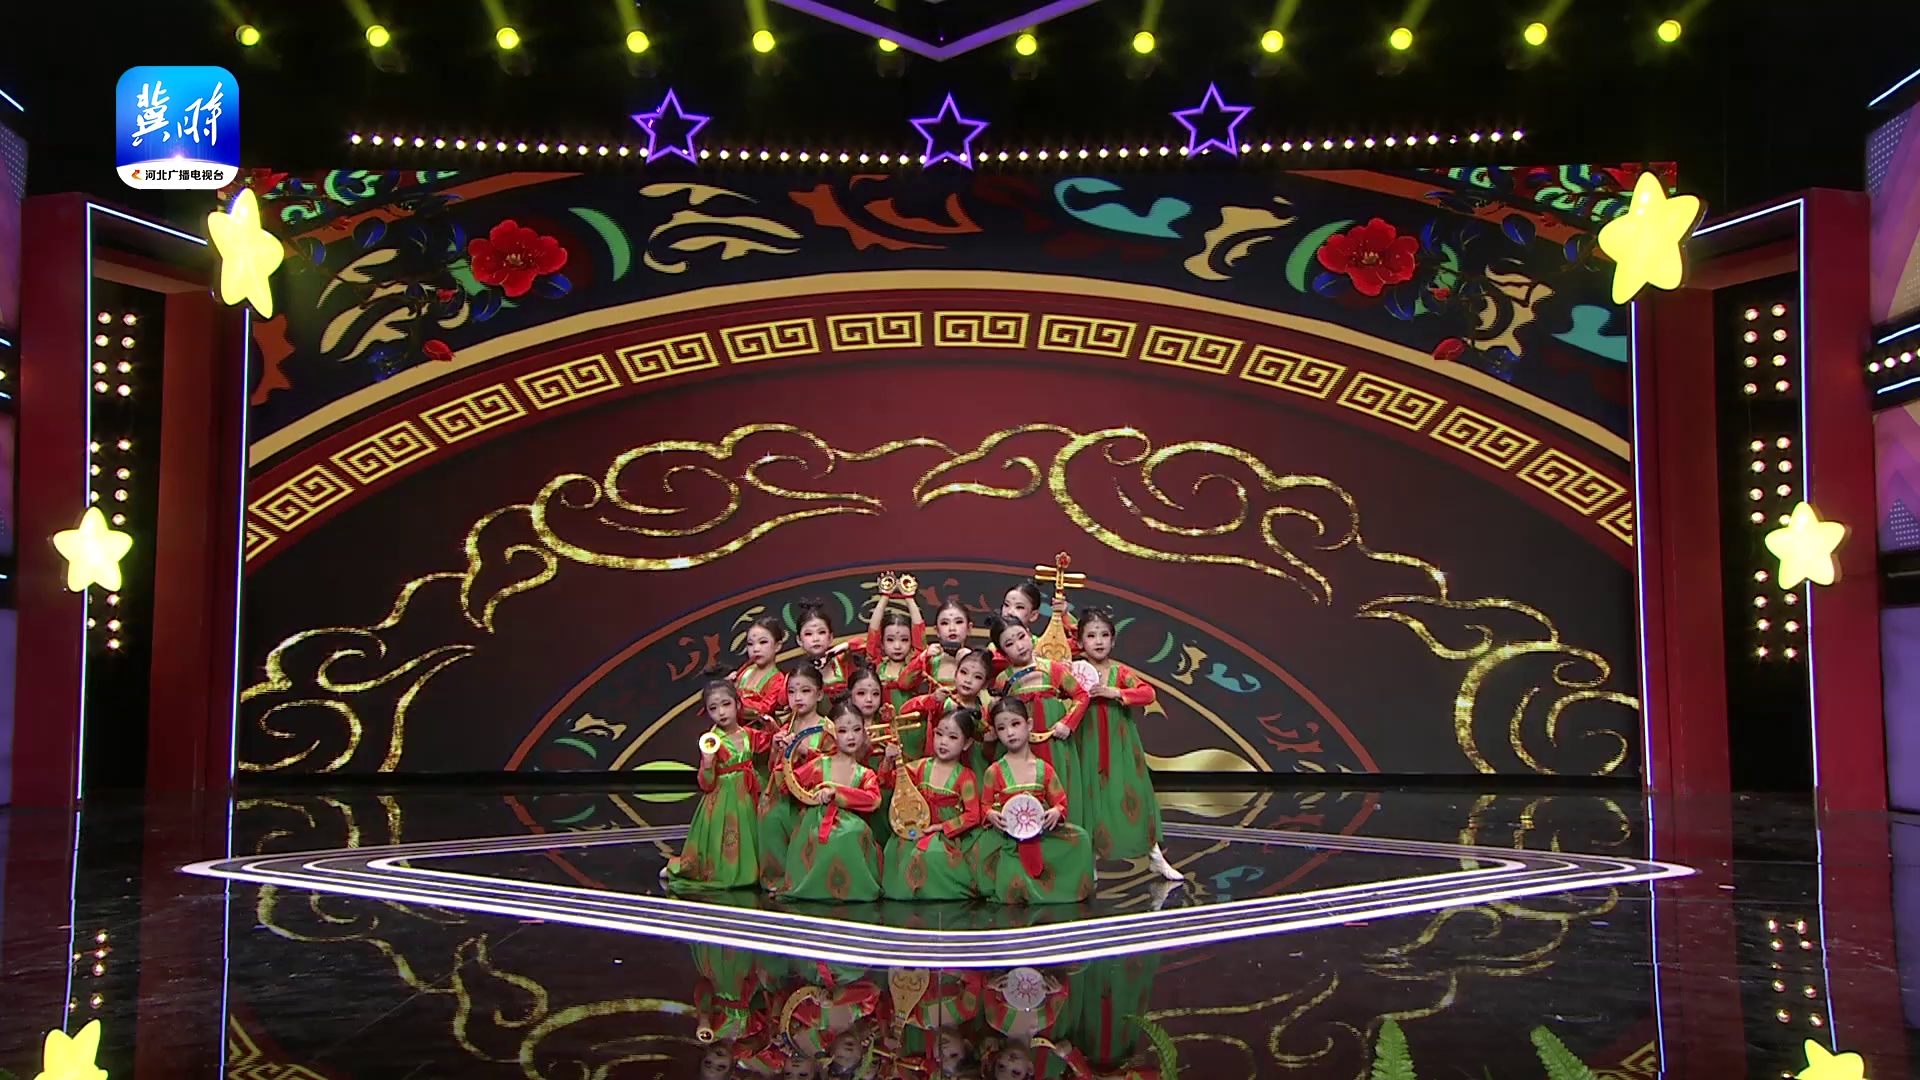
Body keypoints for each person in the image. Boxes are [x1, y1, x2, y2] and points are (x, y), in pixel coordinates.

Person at [1074, 608, 1182, 881]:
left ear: (1113, 640)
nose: (1098, 641)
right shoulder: (1074, 671)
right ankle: (1089, 861)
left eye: (1104, 635)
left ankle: (1155, 855)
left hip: (1119, 743)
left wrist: (1116, 693)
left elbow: (1148, 693)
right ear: (1080, 641)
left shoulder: (1118, 672)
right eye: (1091, 636)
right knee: (1089, 800)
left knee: (1132, 795)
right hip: (1086, 741)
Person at [969, 699, 1095, 904]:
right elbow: (985, 805)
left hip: (1040, 832)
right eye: (1001, 728)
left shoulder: (1043, 768)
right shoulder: (995, 771)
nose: (1010, 733)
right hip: (1007, 836)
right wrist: (990, 814)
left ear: (1028, 725)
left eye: (1015, 724)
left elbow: (1060, 802)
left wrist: (1056, 812)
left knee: (1080, 838)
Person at [665, 680, 773, 892]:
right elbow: (706, 783)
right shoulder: (711, 740)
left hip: (749, 791)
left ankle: (755, 871)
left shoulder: (748, 734)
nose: (721, 712)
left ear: (737, 705)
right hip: (725, 797)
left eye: (726, 704)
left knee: (752, 834)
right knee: (728, 839)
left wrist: (767, 722)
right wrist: (707, 764)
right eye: (713, 708)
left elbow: (769, 740)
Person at [989, 617, 1091, 829]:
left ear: (1029, 633)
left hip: (1055, 743)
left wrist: (1067, 723)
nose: (1019, 646)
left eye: (1021, 637)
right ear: (1002, 652)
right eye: (1009, 644)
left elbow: (1081, 695)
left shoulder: (1053, 669)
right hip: (1021, 747)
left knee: (1062, 789)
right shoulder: (1002, 680)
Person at [782, 703, 886, 902]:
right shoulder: (820, 764)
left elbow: (874, 800)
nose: (850, 736)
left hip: (852, 822)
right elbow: (788, 785)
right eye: (843, 731)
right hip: (816, 820)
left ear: (864, 732)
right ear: (832, 733)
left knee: (852, 832)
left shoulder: (865, 773)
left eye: (856, 730)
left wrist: (836, 793)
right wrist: (787, 754)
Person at [882, 708, 983, 901]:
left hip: (947, 835)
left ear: (967, 743)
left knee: (932, 853)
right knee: (899, 848)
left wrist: (942, 827)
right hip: (917, 828)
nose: (943, 742)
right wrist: (888, 759)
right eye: (939, 734)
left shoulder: (965, 777)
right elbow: (887, 782)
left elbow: (972, 815)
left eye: (952, 737)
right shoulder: (919, 767)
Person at [758, 664, 833, 893]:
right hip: (784, 794)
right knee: (770, 815)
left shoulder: (828, 728)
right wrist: (775, 748)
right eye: (791, 692)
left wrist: (804, 752)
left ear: (819, 694)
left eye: (805, 691)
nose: (797, 698)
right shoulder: (786, 727)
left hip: (813, 797)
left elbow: (834, 765)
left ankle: (804, 880)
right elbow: (773, 767)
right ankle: (778, 878)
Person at [897, 648, 995, 775]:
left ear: (985, 684)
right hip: (937, 764)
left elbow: (988, 751)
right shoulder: (942, 701)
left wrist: (989, 741)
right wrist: (932, 700)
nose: (968, 680)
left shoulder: (984, 711)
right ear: (955, 674)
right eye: (963, 672)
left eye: (977, 677)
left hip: (970, 769)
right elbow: (905, 710)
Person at [865, 587, 927, 723]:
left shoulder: (914, 666)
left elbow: (920, 636)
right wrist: (884, 596)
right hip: (883, 728)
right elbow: (873, 633)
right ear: (882, 643)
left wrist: (909, 598)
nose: (897, 646)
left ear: (911, 642)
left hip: (912, 727)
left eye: (904, 640)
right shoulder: (877, 667)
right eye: (890, 640)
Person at [903, 597, 978, 697]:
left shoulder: (979, 659)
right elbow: (904, 684)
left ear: (969, 628)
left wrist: (971, 662)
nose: (952, 628)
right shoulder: (931, 660)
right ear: (937, 630)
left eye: (959, 622)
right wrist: (923, 657)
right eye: (944, 623)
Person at [732, 615, 790, 723]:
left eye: (763, 642)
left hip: (759, 730)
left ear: (778, 646)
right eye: (750, 644)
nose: (756, 649)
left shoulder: (778, 679)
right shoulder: (745, 672)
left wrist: (736, 702)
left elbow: (765, 708)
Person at [796, 598, 855, 701]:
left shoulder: (843, 662)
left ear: (830, 637)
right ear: (799, 640)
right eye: (808, 634)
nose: (816, 639)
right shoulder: (797, 675)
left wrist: (841, 647)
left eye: (821, 632)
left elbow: (867, 643)